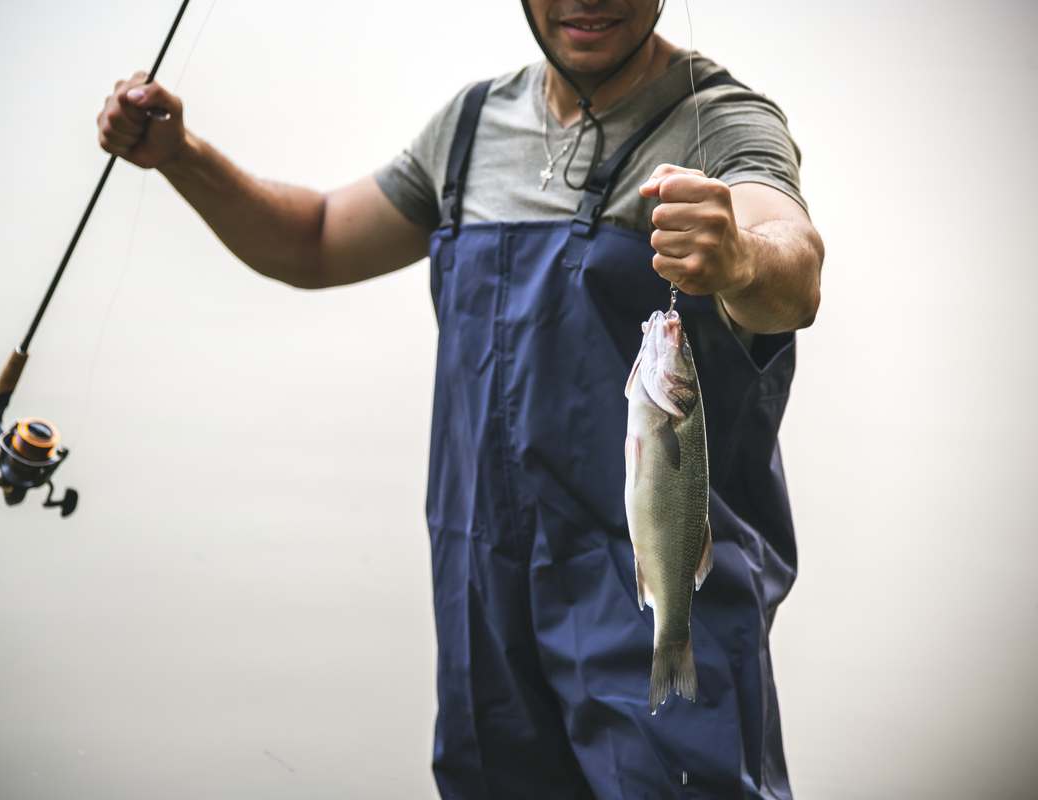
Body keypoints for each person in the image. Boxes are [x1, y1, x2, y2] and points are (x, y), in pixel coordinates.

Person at [97, 1, 823, 796]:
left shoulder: (718, 122)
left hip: (658, 588)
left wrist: (741, 261)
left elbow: (795, 272)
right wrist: (180, 155)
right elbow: (313, 240)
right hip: (485, 591)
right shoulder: (474, 127)